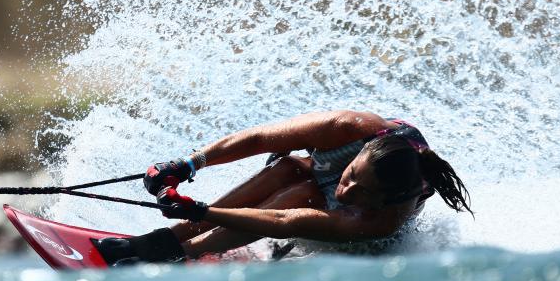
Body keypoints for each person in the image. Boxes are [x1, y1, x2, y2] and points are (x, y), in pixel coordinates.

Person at [94, 110, 472, 265]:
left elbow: (286, 219)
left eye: (361, 192)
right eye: (351, 173)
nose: (347, 190)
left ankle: (180, 250)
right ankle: (172, 236)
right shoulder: (349, 128)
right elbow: (259, 138)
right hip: (309, 179)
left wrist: (202, 211)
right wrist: (188, 164)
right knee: (287, 167)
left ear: (380, 200)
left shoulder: (382, 220)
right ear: (360, 151)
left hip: (362, 242)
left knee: (295, 195)